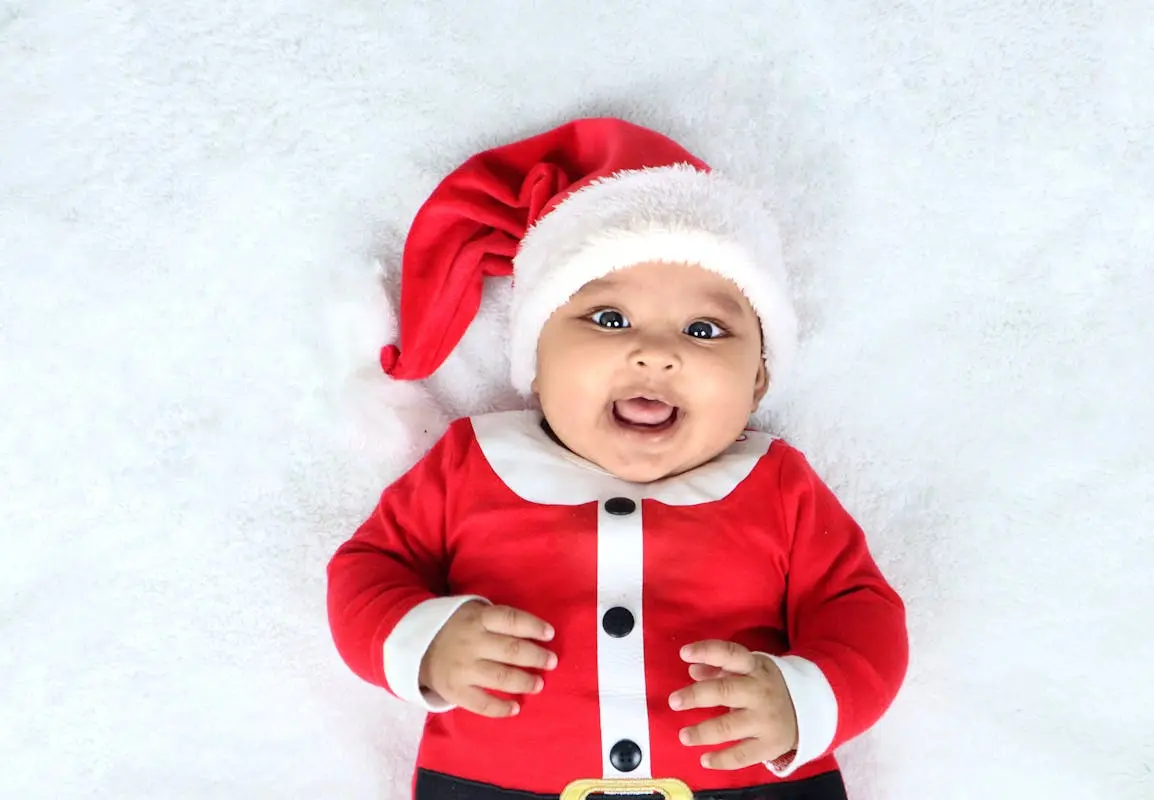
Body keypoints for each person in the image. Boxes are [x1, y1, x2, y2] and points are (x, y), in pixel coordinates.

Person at [326, 118, 909, 800]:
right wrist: (424, 645)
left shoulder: (776, 482)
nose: (657, 352)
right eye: (608, 319)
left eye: (704, 329)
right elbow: (366, 572)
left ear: (758, 380)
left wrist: (803, 699)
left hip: (745, 786)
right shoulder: (472, 462)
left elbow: (861, 611)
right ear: (536, 360)